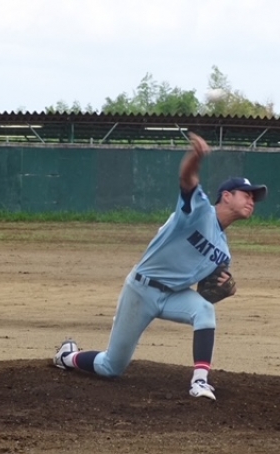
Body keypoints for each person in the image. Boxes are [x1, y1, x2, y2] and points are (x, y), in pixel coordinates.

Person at [52, 132, 267, 401]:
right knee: (111, 367)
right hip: (141, 290)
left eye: (254, 198)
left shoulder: (223, 252)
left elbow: (206, 293)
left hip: (173, 296)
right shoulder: (200, 211)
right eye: (246, 195)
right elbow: (187, 179)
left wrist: (227, 290)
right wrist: (195, 157)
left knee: (205, 310)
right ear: (226, 196)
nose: (251, 201)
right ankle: (67, 356)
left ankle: (200, 381)